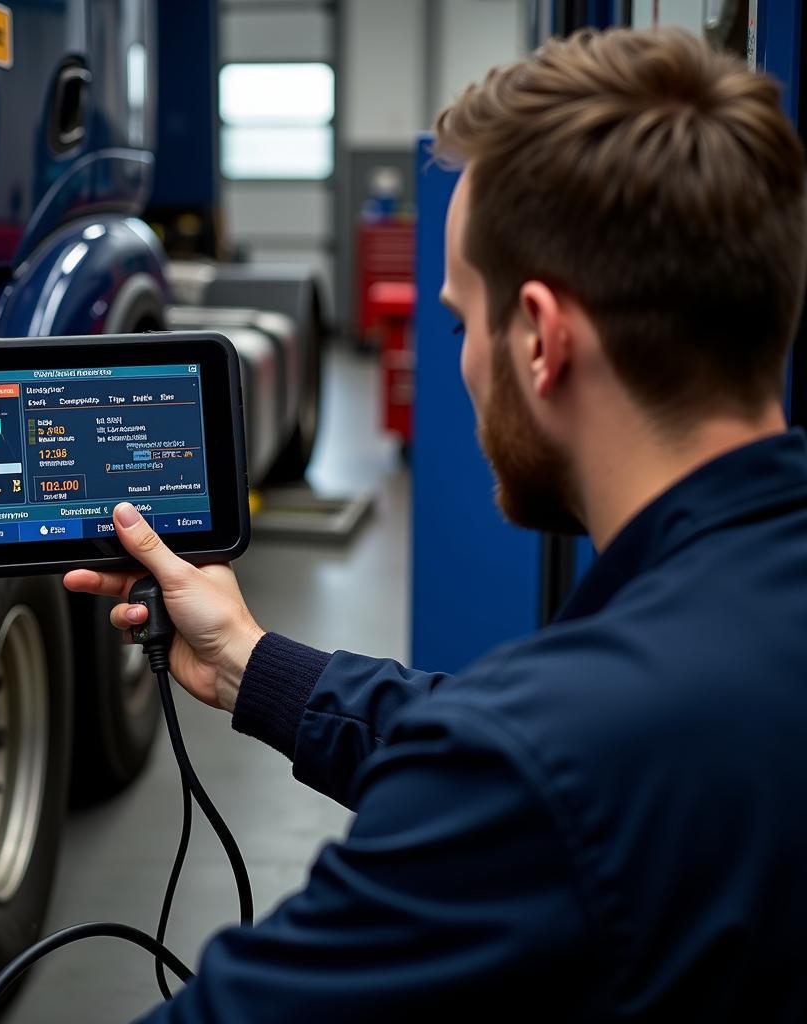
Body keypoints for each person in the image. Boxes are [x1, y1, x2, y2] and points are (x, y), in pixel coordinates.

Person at [65, 26, 807, 1021]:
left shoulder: (542, 768)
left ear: (540, 340)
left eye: (459, 322)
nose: (455, 360)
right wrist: (250, 661)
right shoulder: (704, 655)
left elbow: (536, 775)